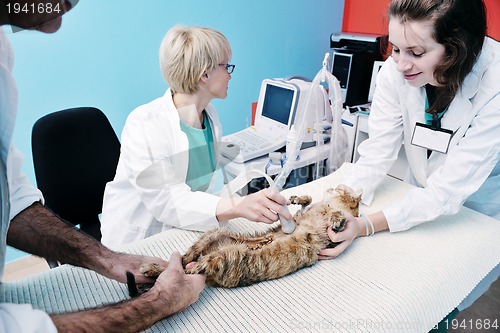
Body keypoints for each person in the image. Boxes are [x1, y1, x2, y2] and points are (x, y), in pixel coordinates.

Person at [0, 1, 205, 332]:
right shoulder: (145, 121)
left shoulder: (2, 49)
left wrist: (111, 260)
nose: (58, 23)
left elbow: (10, 202)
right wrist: (159, 302)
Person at [318, 0, 500, 323]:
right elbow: (378, 151)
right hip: (424, 197)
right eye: (395, 48)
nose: (400, 64)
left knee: (443, 304)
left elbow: (446, 191)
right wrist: (340, 202)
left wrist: (367, 225)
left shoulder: (495, 84)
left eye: (416, 53)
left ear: (457, 47)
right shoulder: (396, 69)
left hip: (477, 208)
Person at [100, 25, 292, 248]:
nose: (230, 75)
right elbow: (167, 201)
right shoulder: (145, 124)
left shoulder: (209, 116)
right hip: (137, 243)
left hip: (182, 233)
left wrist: (252, 196)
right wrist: (236, 205)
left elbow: (203, 186)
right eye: (226, 66)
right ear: (204, 74)